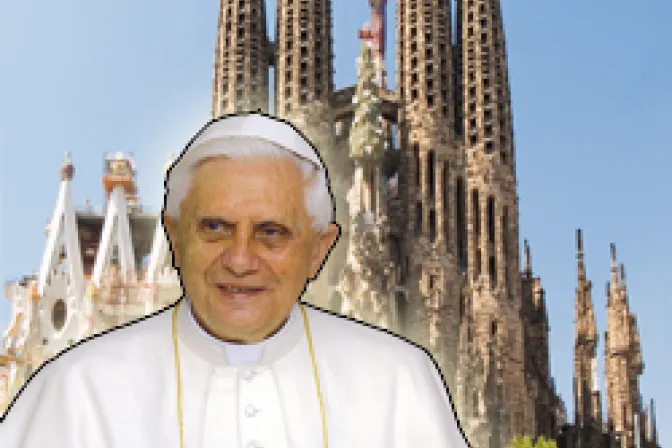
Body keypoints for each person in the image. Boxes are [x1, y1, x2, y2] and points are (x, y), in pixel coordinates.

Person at [0, 112, 470, 447]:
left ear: (318, 250)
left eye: (272, 232)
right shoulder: (79, 388)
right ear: (175, 239)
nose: (241, 259)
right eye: (215, 228)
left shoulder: (398, 383)